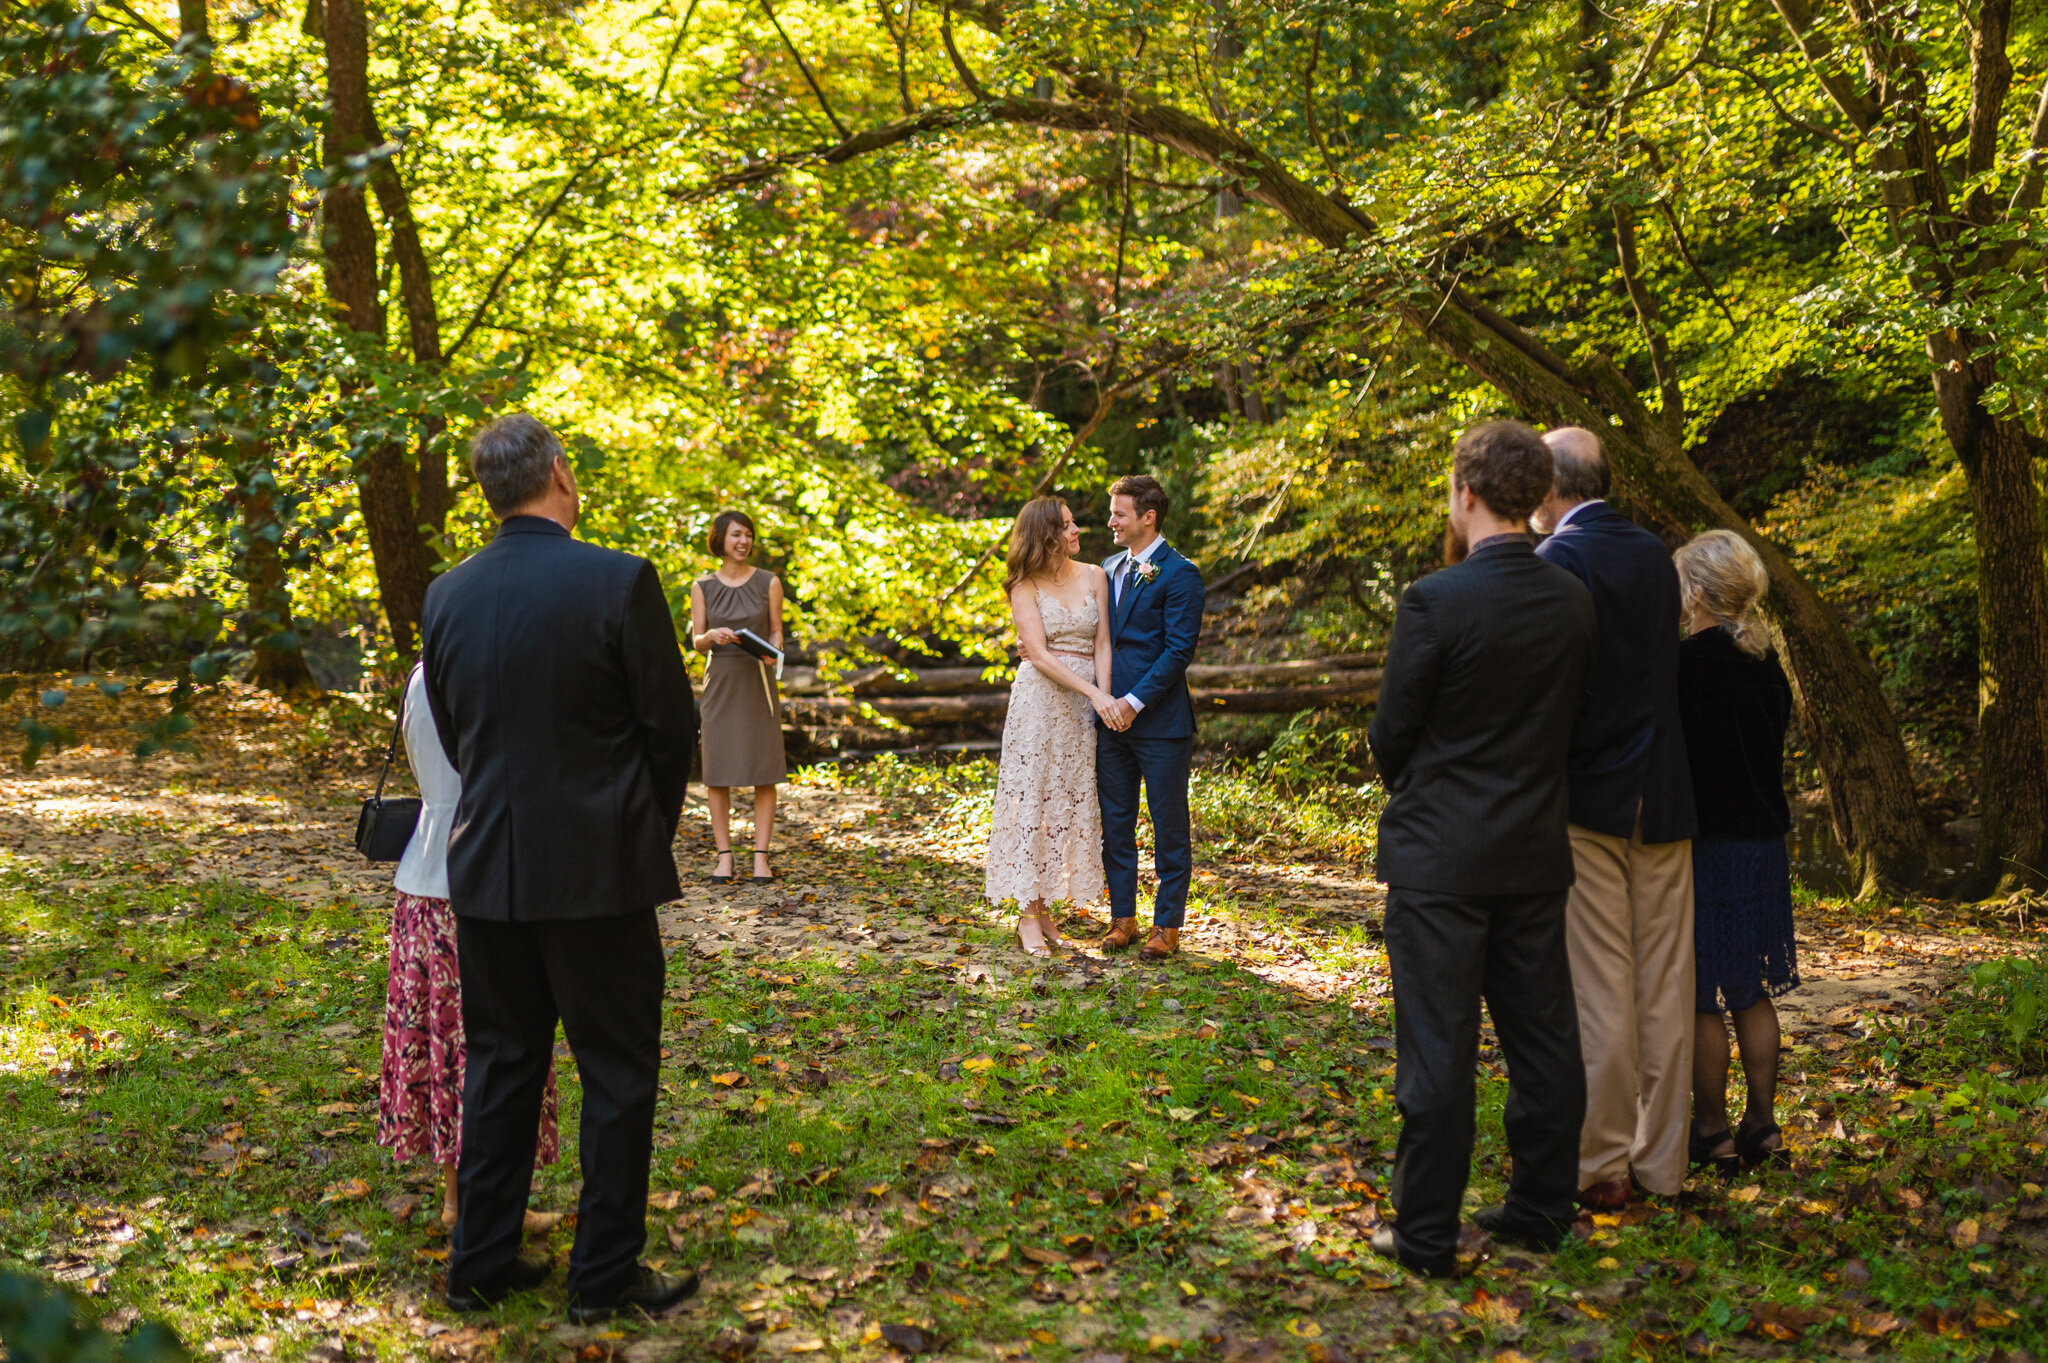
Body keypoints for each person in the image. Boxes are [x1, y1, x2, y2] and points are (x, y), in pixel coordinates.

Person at [421, 413, 699, 1321]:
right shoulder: (619, 579)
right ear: (560, 475)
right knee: (617, 1074)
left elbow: (459, 734)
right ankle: (602, 1276)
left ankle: (481, 1263)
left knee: (501, 1064)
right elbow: (671, 729)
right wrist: (642, 829)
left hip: (487, 866)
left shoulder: (447, 594)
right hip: (598, 872)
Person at [1366, 419, 1596, 1277]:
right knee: (1543, 1037)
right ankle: (1541, 1207)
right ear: (1537, 497)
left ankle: (1425, 1231)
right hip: (1534, 848)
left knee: (1438, 1046)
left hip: (1440, 857)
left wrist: (1428, 786)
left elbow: (1393, 732)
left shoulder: (1436, 599)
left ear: (1465, 493)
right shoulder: (1572, 597)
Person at [1531, 426, 1699, 1209]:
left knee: (1601, 989)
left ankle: (1601, 1165)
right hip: (1664, 790)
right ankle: (1663, 1164)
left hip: (1591, 796)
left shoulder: (1558, 561)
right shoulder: (1657, 556)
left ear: (1550, 489)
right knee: (1666, 987)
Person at [374, 662, 563, 1235]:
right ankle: (481, 1203)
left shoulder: (417, 676)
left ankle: (464, 1197)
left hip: (422, 876)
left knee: (443, 1045)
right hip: (479, 878)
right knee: (492, 1043)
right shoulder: (488, 674)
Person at [1674, 530, 1798, 1173]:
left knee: (1699, 994)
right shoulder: (1766, 663)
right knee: (1749, 990)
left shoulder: (1686, 667)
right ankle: (1763, 1125)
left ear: (1696, 593)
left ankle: (1714, 1130)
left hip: (1705, 848)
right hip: (1762, 847)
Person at [985, 497, 1117, 958]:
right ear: (1045, 535)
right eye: (1066, 525)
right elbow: (1038, 654)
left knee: (1065, 800)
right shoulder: (1024, 584)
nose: (1077, 529)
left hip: (1082, 708)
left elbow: (1103, 641)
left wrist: (1103, 693)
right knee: (1033, 799)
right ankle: (1026, 914)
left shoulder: (1095, 575)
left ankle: (1044, 909)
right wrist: (1094, 693)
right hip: (1039, 703)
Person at [1095, 474, 1205, 960]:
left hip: (1160, 724)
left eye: (1119, 513)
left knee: (1168, 824)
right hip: (1108, 721)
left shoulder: (1181, 573)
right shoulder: (1108, 566)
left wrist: (1132, 702)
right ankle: (1123, 918)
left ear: (1148, 517)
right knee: (1115, 823)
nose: (1111, 521)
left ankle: (1167, 926)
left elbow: (1179, 651)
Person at [689, 510, 787, 884]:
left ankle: (761, 857)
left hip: (758, 681)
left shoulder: (768, 582)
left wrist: (771, 647)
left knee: (764, 770)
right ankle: (724, 856)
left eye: (747, 535)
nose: (743, 541)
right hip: (720, 684)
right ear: (720, 540)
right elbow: (697, 641)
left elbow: (777, 632)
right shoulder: (702, 586)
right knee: (718, 773)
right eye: (735, 535)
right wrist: (711, 637)